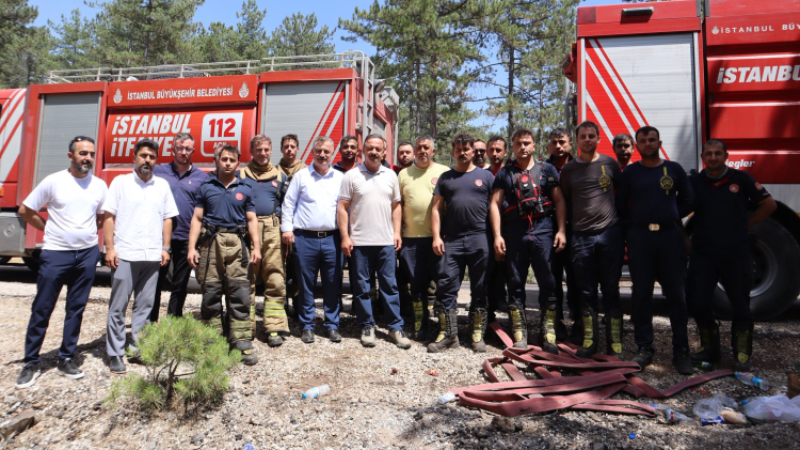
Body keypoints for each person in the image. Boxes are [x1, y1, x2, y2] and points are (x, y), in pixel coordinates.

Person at [15, 136, 107, 389]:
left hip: (87, 254)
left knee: (75, 309)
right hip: (56, 253)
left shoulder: (99, 185)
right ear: (71, 156)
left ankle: (66, 357)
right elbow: (25, 210)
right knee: (42, 307)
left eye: (91, 154)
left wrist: (87, 233)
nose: (87, 158)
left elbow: (102, 217)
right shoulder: (53, 181)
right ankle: (31, 362)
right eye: (82, 153)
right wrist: (46, 229)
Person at [687, 139, 776, 372]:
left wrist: (744, 225)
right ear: (702, 156)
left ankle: (742, 354)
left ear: (726, 155)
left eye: (718, 153)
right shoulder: (694, 182)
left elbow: (769, 205)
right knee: (699, 303)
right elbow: (673, 209)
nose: (713, 157)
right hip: (704, 253)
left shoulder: (742, 179)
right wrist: (683, 238)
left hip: (736, 253)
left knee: (741, 305)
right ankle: (710, 350)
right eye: (709, 154)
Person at [616, 126, 694, 374]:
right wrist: (635, 225)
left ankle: (681, 350)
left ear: (659, 142)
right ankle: (644, 348)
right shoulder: (630, 172)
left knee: (677, 296)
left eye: (652, 140)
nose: (648, 144)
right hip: (641, 238)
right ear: (637, 146)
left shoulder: (673, 169)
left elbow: (689, 200)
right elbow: (621, 205)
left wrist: (670, 216)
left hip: (670, 237)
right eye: (643, 141)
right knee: (641, 295)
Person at [104, 139, 178, 373]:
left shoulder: (162, 185)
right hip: (125, 253)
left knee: (145, 306)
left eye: (152, 157)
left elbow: (168, 218)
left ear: (157, 160)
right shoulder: (120, 183)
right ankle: (115, 352)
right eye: (143, 155)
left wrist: (165, 248)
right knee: (118, 307)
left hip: (152, 256)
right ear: (134, 157)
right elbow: (108, 216)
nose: (147, 160)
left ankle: (138, 349)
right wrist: (110, 248)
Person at [491, 128, 567, 353]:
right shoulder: (504, 173)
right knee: (515, 284)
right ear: (512, 147)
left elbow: (560, 201)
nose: (522, 147)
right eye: (518, 143)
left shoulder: (548, 169)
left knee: (550, 283)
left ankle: (549, 332)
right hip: (515, 233)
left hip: (544, 231)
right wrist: (497, 235)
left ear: (534, 146)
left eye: (527, 143)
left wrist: (561, 230)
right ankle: (520, 333)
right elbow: (495, 205)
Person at [188, 144, 261, 365]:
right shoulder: (206, 186)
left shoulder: (246, 188)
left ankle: (241, 342)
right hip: (212, 244)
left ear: (238, 163)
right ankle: (212, 341)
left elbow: (251, 220)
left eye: (232, 159)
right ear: (216, 161)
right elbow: (197, 219)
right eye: (224, 159)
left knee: (239, 293)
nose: (228, 162)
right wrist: (192, 247)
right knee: (210, 293)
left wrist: (256, 247)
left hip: (238, 245)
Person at [338, 135, 412, 349]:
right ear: (364, 150)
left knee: (390, 285)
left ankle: (395, 327)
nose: (373, 152)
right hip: (359, 242)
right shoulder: (351, 176)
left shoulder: (391, 176)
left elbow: (396, 206)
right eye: (370, 148)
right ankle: (367, 326)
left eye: (377, 149)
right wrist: (345, 236)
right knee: (362, 287)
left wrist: (397, 233)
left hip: (386, 242)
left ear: (384, 152)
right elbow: (342, 208)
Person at [559, 122, 624, 358]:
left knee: (611, 290)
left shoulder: (610, 164)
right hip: (581, 237)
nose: (587, 139)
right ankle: (590, 340)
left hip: (609, 234)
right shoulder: (568, 170)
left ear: (598, 138)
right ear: (577, 141)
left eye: (591, 136)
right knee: (585, 292)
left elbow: (621, 194)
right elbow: (564, 200)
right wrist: (563, 231)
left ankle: (615, 343)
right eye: (583, 136)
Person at [428, 133, 496, 353]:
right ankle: (449, 335)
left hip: (480, 238)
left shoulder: (486, 177)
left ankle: (477, 335)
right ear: (453, 152)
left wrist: (497, 236)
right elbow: (436, 208)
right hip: (453, 240)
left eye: (466, 148)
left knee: (481, 287)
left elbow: (494, 208)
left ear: (473, 151)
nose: (463, 152)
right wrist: (437, 236)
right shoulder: (445, 178)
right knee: (447, 286)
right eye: (458, 149)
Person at [281, 136, 344, 343]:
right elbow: (288, 204)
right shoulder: (301, 176)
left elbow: (347, 208)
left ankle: (332, 324)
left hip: (332, 239)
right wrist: (287, 229)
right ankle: (307, 324)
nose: (322, 154)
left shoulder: (340, 178)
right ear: (313, 152)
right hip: (304, 238)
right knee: (305, 284)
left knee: (333, 283)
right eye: (319, 151)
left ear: (332, 153)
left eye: (326, 151)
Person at [150, 133, 208, 321]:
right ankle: (150, 323)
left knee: (180, 284)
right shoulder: (157, 172)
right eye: (180, 148)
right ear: (173, 149)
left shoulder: (201, 177)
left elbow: (203, 210)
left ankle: (173, 323)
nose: (183, 152)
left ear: (193, 151)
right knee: (154, 283)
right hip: (158, 238)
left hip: (186, 237)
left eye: (187, 149)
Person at [397, 135, 449, 341]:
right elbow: (397, 207)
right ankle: (420, 325)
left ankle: (445, 327)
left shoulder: (444, 172)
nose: (422, 151)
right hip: (410, 240)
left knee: (443, 285)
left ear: (433, 151)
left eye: (426, 148)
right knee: (416, 286)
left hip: (438, 240)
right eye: (419, 148)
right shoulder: (403, 174)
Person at [239, 135, 290, 347]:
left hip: (273, 229)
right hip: (246, 229)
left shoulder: (281, 176)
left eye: (266, 149)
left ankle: (274, 327)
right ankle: (244, 328)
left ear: (271, 151)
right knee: (245, 279)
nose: (263, 153)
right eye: (258, 149)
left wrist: (286, 233)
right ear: (252, 151)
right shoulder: (240, 174)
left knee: (275, 279)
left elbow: (287, 206)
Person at [545, 128, 579, 344]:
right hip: (549, 231)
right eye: (554, 142)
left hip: (578, 230)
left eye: (562, 141)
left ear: (570, 144)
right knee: (552, 279)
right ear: (548, 146)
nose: (558, 146)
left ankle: (578, 323)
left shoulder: (580, 167)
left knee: (577, 279)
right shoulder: (542, 169)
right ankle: (555, 323)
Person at [277, 134, 307, 319]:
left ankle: (298, 305)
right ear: (282, 149)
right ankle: (281, 306)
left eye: (292, 146)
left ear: (297, 149)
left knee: (297, 269)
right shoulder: (273, 171)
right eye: (286, 146)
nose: (289, 149)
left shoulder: (305, 171)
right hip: (277, 227)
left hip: (299, 228)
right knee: (279, 268)